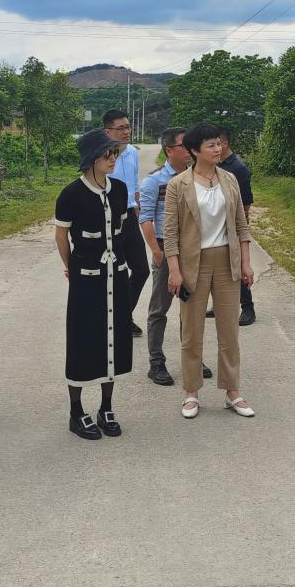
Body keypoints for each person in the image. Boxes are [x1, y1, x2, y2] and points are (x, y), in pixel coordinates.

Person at [164, 122, 256, 420]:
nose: (218, 148)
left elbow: (241, 225)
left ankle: (232, 391)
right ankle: (191, 392)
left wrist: (246, 262)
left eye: (219, 143)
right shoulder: (179, 184)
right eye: (211, 145)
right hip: (194, 263)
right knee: (192, 332)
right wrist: (174, 271)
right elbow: (171, 232)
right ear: (194, 150)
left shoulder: (230, 179)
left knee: (229, 330)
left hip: (226, 261)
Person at [53, 129, 136, 439]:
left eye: (115, 153)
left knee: (114, 336)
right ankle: (76, 411)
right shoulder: (71, 194)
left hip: (117, 274)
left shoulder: (120, 190)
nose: (113, 159)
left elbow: (121, 229)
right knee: (83, 338)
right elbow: (62, 236)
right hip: (86, 277)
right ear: (91, 158)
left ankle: (106, 407)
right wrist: (71, 267)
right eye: (107, 154)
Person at [138, 128, 212, 386]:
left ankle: (192, 358)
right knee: (159, 308)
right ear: (169, 150)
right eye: (183, 146)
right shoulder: (154, 181)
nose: (189, 150)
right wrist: (157, 251)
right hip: (165, 249)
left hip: (192, 251)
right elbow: (145, 218)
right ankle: (156, 361)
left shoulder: (197, 178)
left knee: (192, 309)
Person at [103, 109, 149, 338]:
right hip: (107, 218)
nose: (126, 132)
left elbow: (135, 183)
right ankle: (112, 320)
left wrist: (137, 206)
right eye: (120, 128)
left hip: (129, 216)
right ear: (107, 131)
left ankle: (121, 315)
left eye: (128, 127)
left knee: (141, 269)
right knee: (114, 272)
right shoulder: (101, 155)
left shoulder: (132, 152)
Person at [216, 127, 257, 326]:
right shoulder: (217, 164)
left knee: (239, 266)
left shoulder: (238, 168)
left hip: (233, 225)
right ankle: (218, 305)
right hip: (216, 223)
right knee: (219, 266)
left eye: (217, 143)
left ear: (225, 144)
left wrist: (241, 225)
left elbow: (246, 201)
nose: (215, 148)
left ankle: (248, 308)